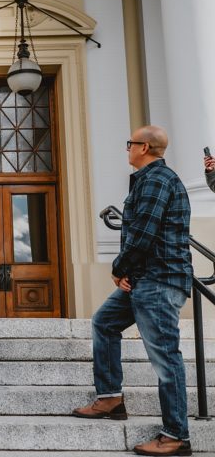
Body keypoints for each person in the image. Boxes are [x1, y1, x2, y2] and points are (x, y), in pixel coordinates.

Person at [72, 126, 192, 457]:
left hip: (159, 281)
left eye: (131, 143)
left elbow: (144, 233)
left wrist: (119, 268)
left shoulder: (155, 180)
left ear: (145, 147)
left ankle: (175, 436)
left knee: (166, 357)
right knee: (104, 322)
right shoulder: (148, 179)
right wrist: (131, 272)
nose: (128, 149)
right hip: (145, 278)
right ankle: (110, 398)